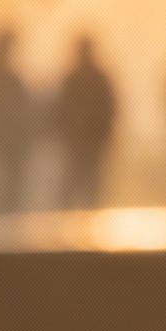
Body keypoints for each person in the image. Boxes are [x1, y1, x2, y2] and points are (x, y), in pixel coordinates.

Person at [51, 33, 116, 211]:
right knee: (73, 180)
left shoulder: (97, 78)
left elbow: (109, 109)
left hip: (92, 140)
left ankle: (87, 214)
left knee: (90, 182)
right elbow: (61, 110)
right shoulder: (73, 79)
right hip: (77, 141)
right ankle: (65, 215)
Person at [0, 28, 33, 214]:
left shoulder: (12, 78)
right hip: (0, 133)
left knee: (11, 174)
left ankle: (6, 209)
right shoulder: (3, 76)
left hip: (7, 136)